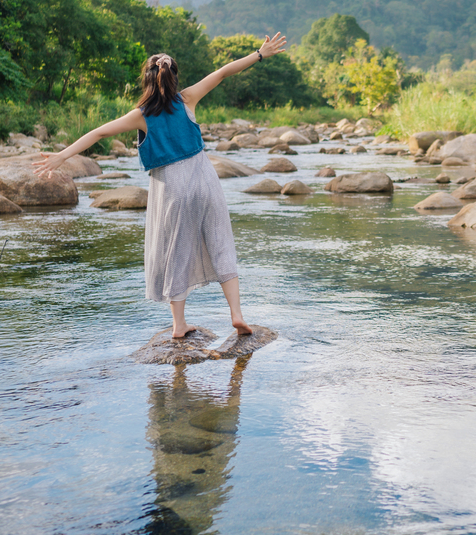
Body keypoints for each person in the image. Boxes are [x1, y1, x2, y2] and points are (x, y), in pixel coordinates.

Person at [33, 35, 287, 339]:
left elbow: (99, 133)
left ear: (147, 81)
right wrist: (259, 54)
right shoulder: (188, 99)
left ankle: (179, 324)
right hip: (205, 179)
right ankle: (236, 314)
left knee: (175, 251)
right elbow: (222, 72)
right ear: (174, 77)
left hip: (172, 187)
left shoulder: (140, 116)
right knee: (221, 242)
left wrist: (61, 156)